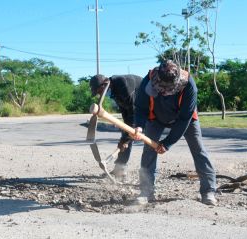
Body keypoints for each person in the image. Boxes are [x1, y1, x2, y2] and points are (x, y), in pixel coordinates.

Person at [131, 60, 217, 206]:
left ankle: (208, 191)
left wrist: (168, 142)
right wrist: (139, 126)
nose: (163, 91)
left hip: (185, 119)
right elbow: (140, 107)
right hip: (156, 118)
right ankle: (146, 192)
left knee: (199, 150)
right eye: (160, 88)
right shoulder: (149, 79)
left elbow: (184, 119)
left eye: (166, 89)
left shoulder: (189, 85)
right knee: (148, 152)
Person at [89, 74, 143, 182]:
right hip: (135, 109)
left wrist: (126, 139)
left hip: (149, 105)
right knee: (126, 134)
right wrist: (125, 134)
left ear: (104, 85)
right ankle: (120, 168)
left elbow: (133, 112)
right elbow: (125, 111)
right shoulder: (114, 89)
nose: (99, 95)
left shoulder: (123, 84)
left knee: (138, 135)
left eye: (99, 91)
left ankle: (147, 174)